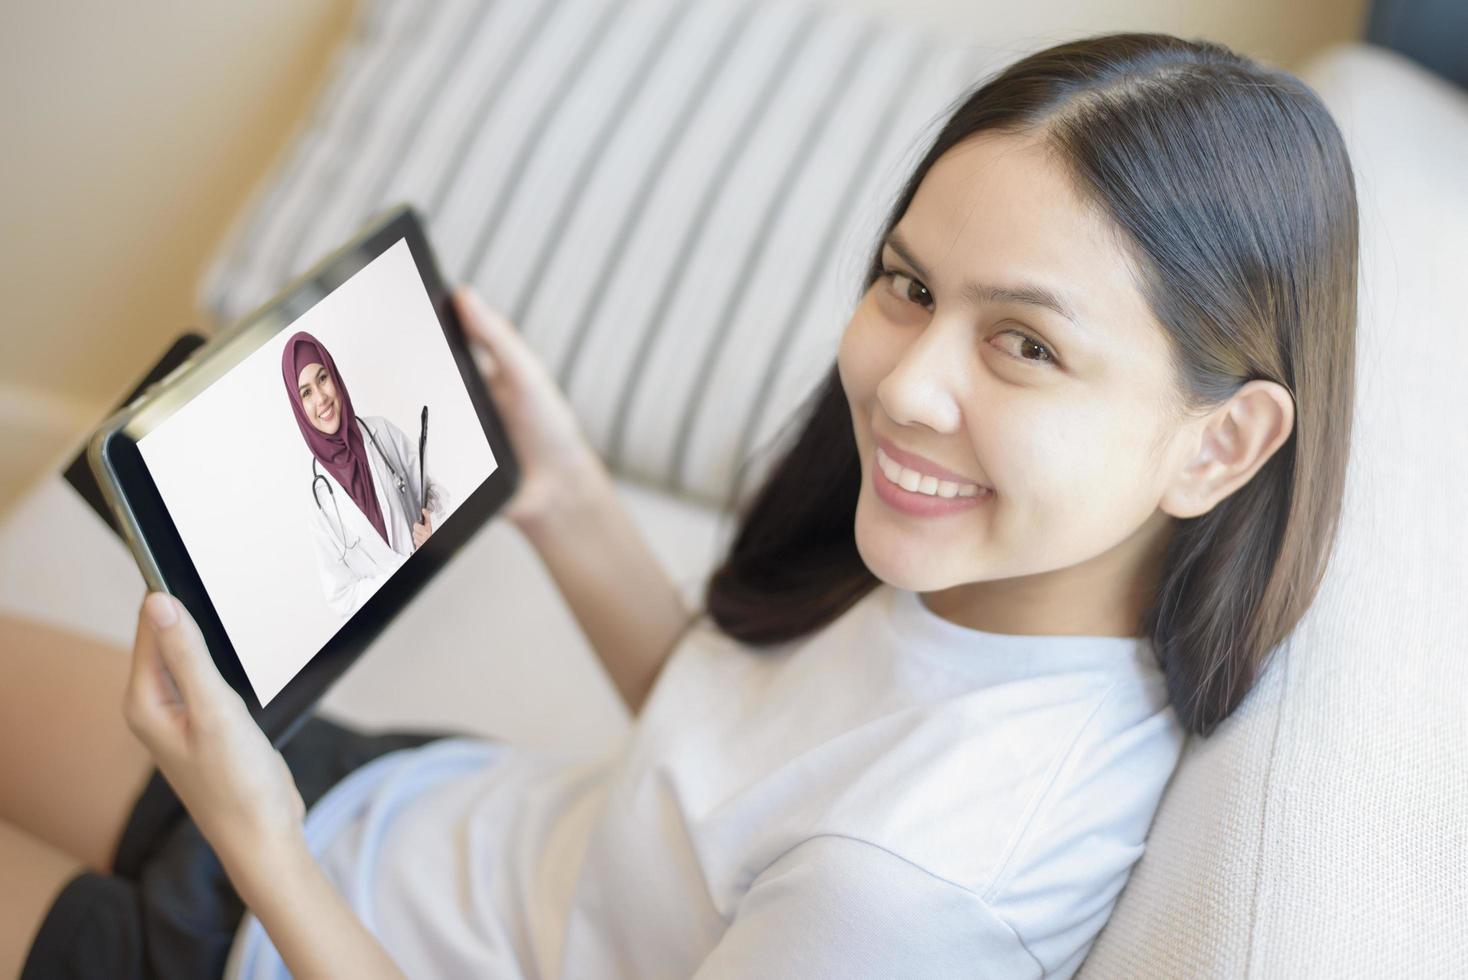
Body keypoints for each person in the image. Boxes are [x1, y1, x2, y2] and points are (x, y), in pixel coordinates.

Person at [1, 31, 1357, 979]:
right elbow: (726, 770)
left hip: (274, 923)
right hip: (396, 807)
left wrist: (254, 837)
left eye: (1027, 345)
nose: (903, 386)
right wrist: (562, 488)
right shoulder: (1000, 584)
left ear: (1220, 443)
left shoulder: (915, 889)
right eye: (910, 284)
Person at [283, 330, 450, 618]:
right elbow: (340, 596)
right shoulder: (318, 501)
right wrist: (395, 581)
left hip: (439, 581)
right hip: (394, 618)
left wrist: (434, 527)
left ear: (334, 377)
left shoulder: (381, 432)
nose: (321, 397)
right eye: (306, 392)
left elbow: (435, 494)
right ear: (299, 407)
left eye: (322, 378)